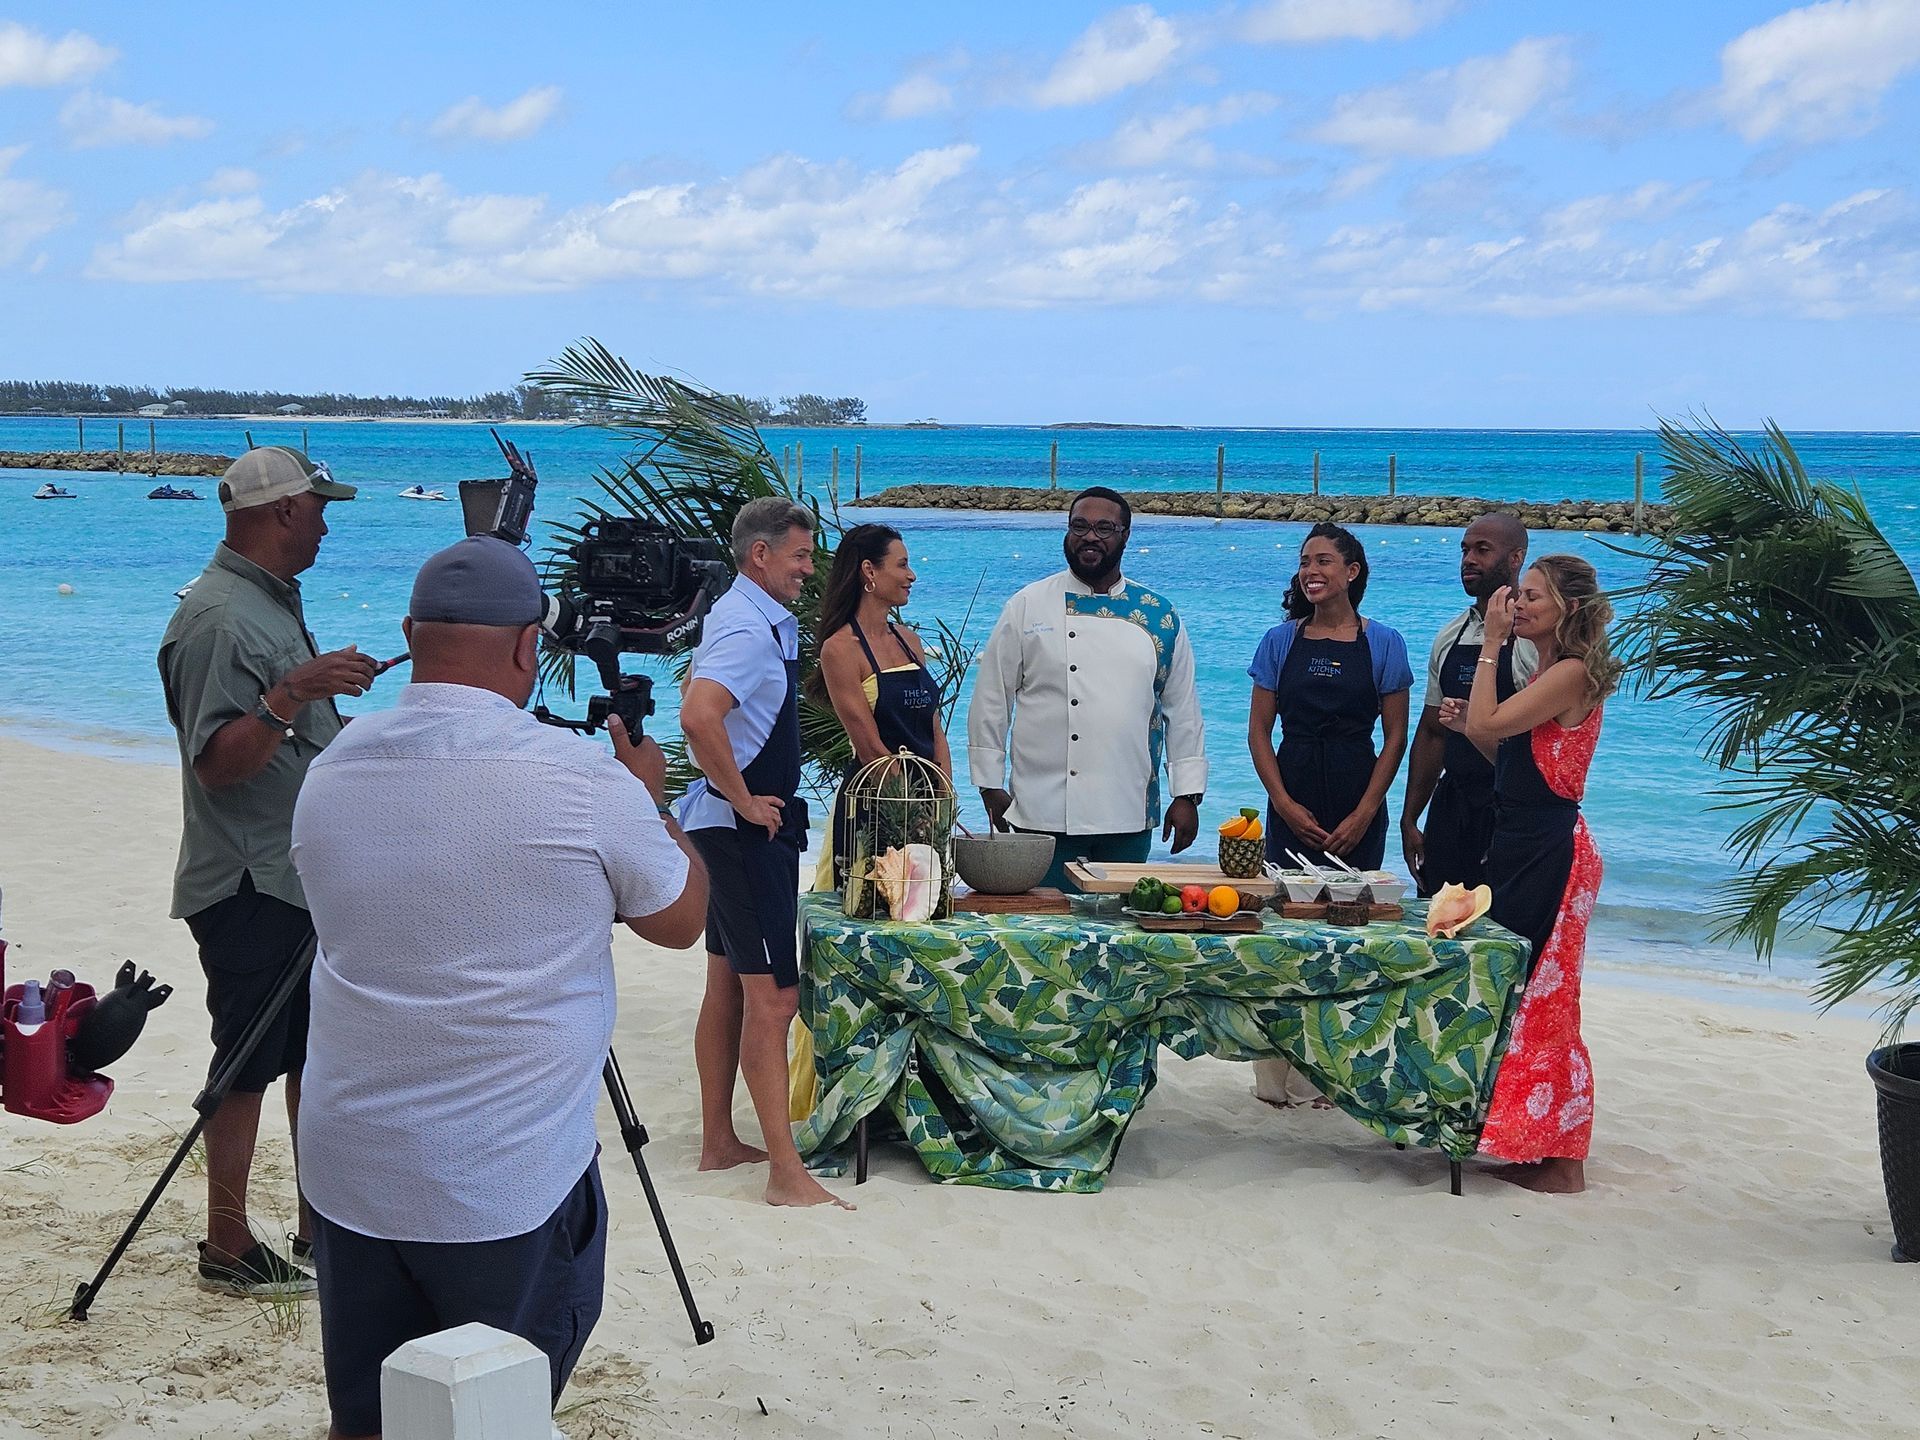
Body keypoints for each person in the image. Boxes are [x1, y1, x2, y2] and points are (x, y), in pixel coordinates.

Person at [290, 536, 707, 1440]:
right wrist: (653, 801)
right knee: (494, 1414)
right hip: (500, 1175)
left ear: (410, 633)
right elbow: (678, 922)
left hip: (350, 1162)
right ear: (529, 649)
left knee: (369, 1415)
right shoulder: (581, 781)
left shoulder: (332, 771)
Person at [156, 445, 367, 1300]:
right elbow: (217, 763)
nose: (326, 523)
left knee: (314, 1054)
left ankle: (319, 1226)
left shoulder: (268, 603)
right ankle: (228, 1244)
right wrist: (290, 694)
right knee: (244, 1062)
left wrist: (321, 699)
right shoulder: (216, 618)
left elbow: (298, 734)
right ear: (284, 511)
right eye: (320, 508)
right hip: (248, 881)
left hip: (297, 873)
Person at [679, 497, 852, 1209]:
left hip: (730, 828)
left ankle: (720, 1143)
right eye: (801, 557)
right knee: (773, 998)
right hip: (744, 834)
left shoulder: (747, 619)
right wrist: (746, 799)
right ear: (760, 555)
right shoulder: (748, 629)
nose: (809, 571)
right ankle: (786, 1173)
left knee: (726, 984)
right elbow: (698, 714)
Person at [1460, 554, 1622, 1195]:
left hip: (1551, 849)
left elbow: (1486, 721)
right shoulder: (1552, 671)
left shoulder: (1572, 673)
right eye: (1517, 595)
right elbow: (1506, 754)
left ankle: (1563, 1160)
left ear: (1569, 608)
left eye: (1532, 596)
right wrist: (1473, 723)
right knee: (1524, 992)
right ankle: (1531, 1141)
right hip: (1523, 839)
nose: (1518, 604)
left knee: (1548, 1002)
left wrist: (1491, 643)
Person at [967, 487, 1207, 892]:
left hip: (1127, 812)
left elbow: (1181, 708)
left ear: (1125, 535)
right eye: (1079, 526)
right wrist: (989, 786)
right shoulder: (1027, 605)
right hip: (1040, 813)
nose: (1090, 537)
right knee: (1042, 939)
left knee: (1121, 941)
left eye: (1103, 528)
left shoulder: (1159, 615)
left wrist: (1187, 795)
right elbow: (992, 698)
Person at [1246, 523, 1413, 871]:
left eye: (1324, 561)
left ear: (1352, 571)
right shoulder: (1279, 641)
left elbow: (1396, 738)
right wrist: (1283, 804)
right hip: (1292, 793)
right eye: (1305, 562)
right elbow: (1259, 732)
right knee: (1285, 914)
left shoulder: (1385, 642)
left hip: (1357, 797)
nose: (1311, 571)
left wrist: (1364, 814)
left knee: (1356, 914)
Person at [808, 522, 951, 893]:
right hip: (873, 807)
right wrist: (909, 814)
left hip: (925, 804)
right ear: (869, 571)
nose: (911, 575)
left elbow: (934, 729)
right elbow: (870, 748)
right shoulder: (840, 649)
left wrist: (943, 802)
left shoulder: (909, 641)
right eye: (902, 565)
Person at [1401, 514, 1538, 895]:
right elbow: (1431, 734)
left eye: (1482, 550)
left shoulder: (1532, 638)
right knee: (1435, 928)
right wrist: (1411, 817)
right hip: (1451, 808)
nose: (1468, 560)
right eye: (1464, 550)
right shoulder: (1449, 635)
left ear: (1516, 559)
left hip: (1509, 811)